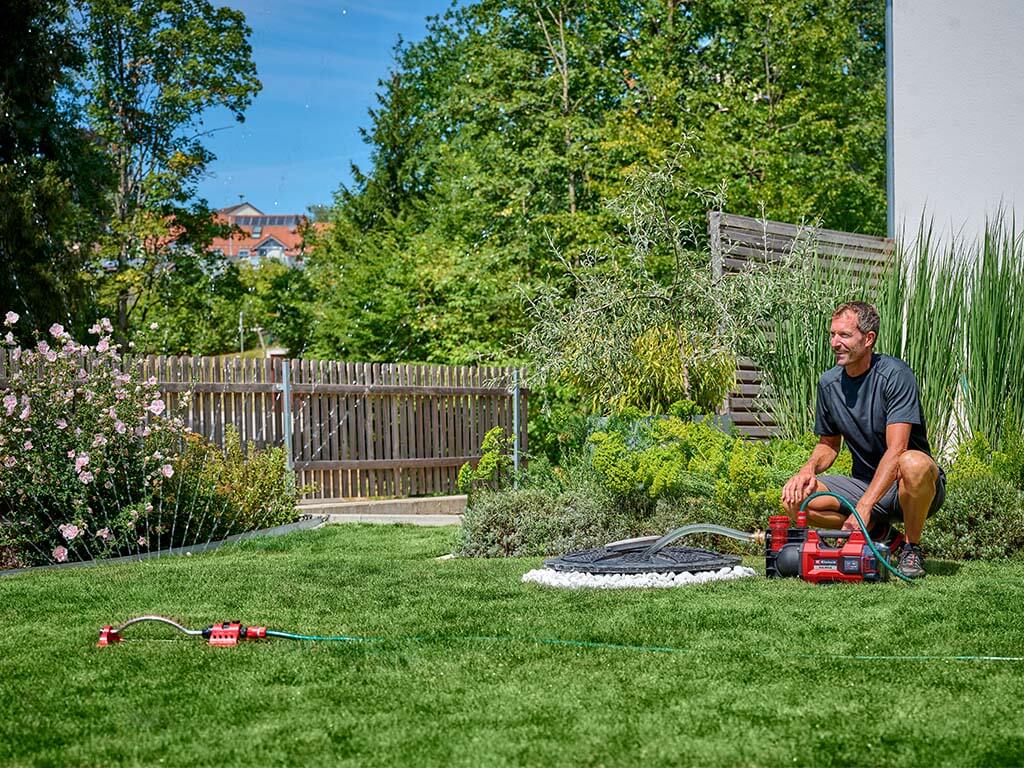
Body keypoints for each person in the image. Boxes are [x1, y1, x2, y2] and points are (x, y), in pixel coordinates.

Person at [780, 301, 944, 579]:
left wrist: (863, 507)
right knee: (795, 499)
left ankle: (911, 549)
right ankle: (882, 535)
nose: (835, 342)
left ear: (868, 339)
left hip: (911, 486)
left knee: (913, 462)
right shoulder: (828, 384)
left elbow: (897, 449)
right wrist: (807, 469)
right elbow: (829, 444)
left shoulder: (894, 375)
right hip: (864, 484)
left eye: (844, 335)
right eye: (832, 334)